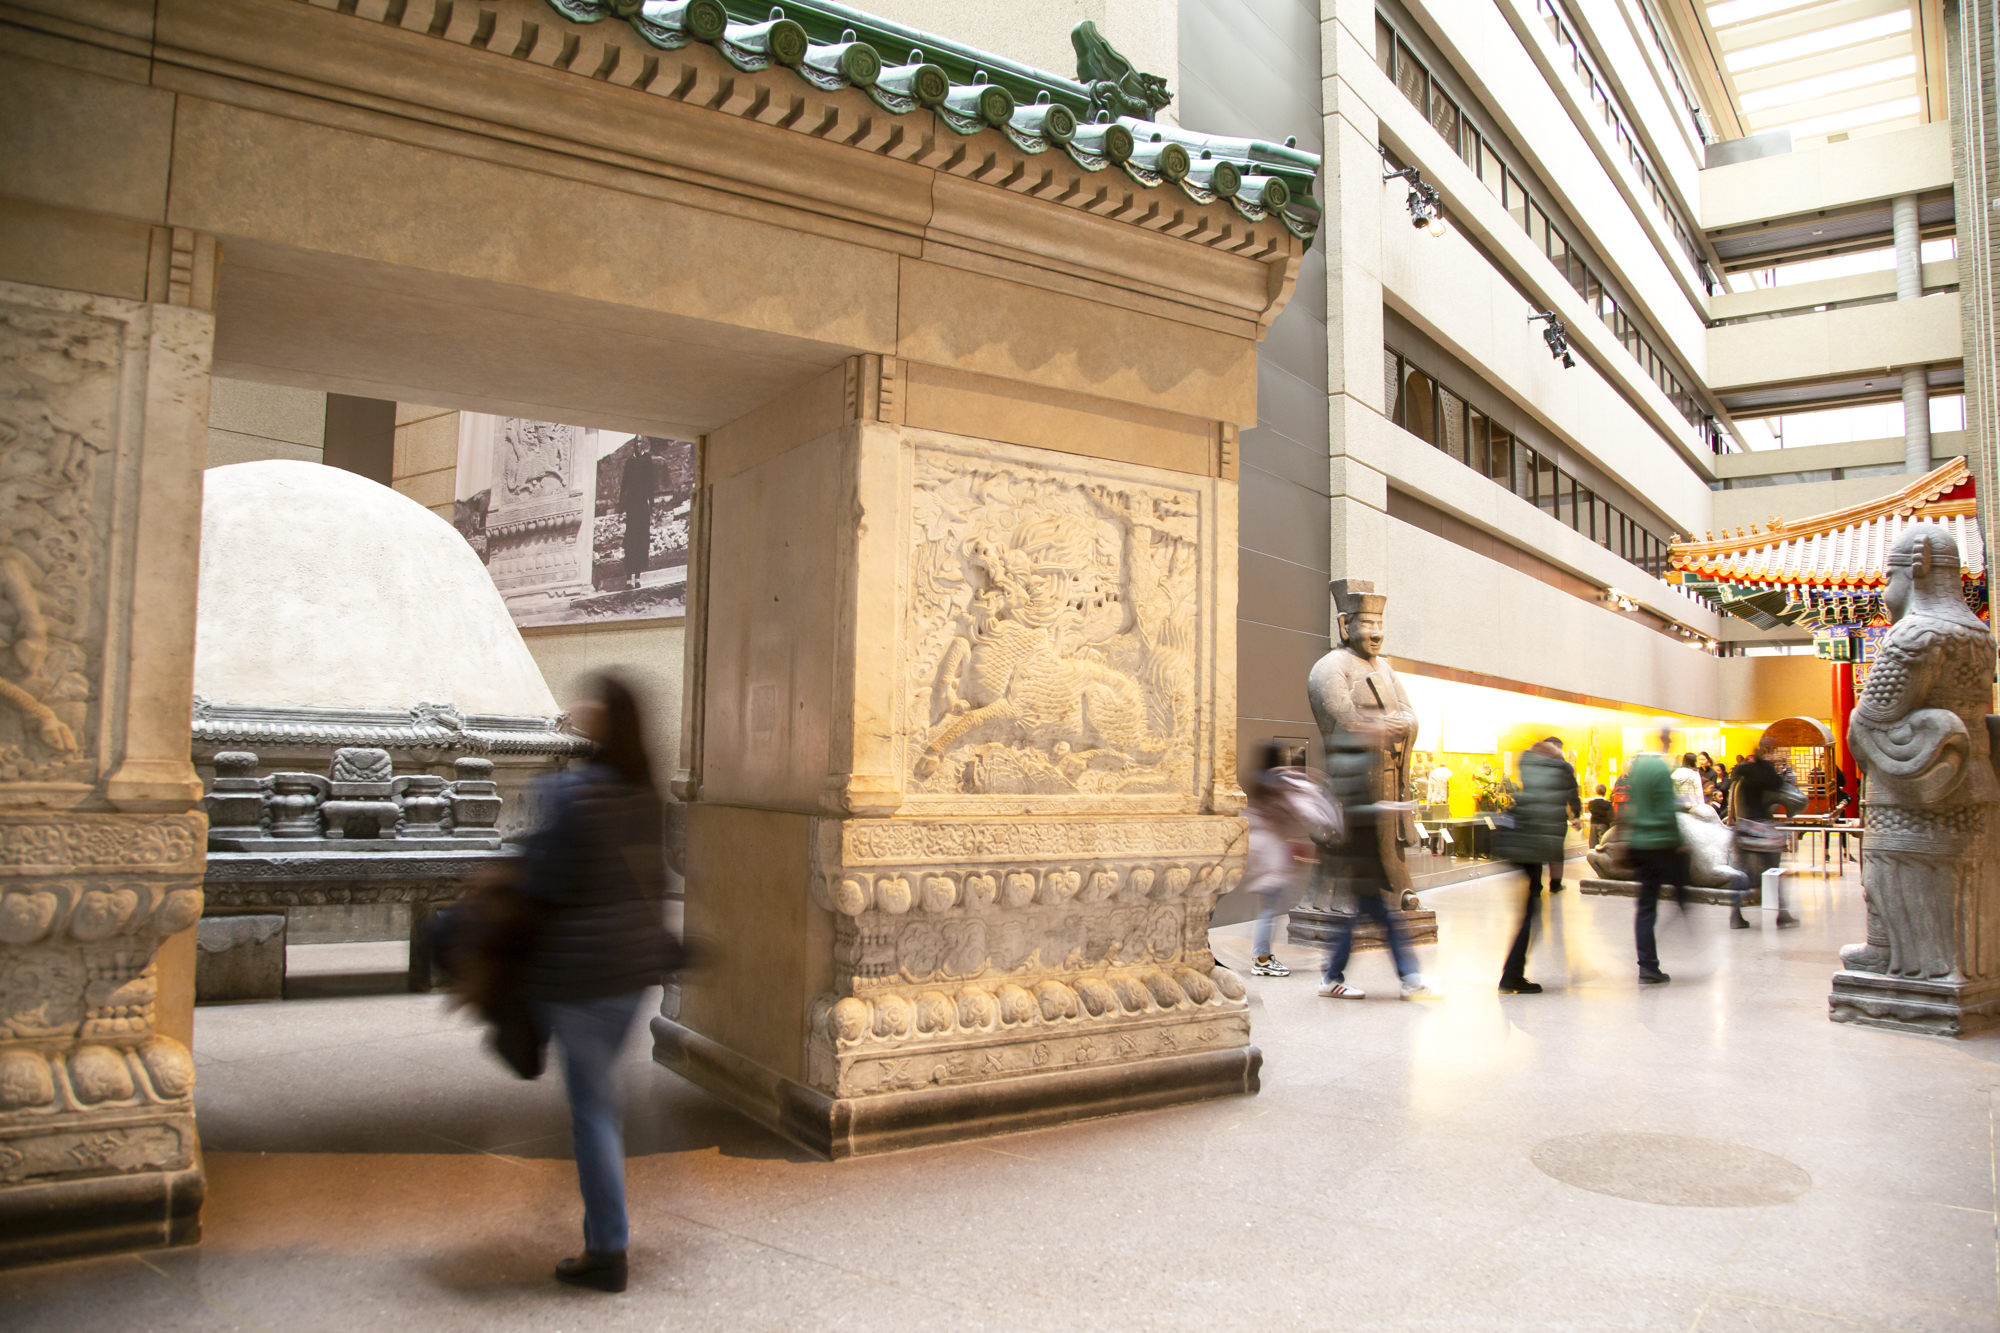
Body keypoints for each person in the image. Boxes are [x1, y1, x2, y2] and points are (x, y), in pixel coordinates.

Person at [519, 674, 678, 1293]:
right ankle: (608, 1232)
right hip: (630, 972)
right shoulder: (646, 796)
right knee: (601, 1098)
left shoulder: (573, 792)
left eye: (591, 699)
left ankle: (608, 1248)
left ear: (606, 719)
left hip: (582, 974)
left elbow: (546, 883)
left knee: (592, 1111)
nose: (578, 705)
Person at [1316, 721, 1441, 1001]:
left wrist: (1388, 807)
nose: (1381, 731)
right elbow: (1354, 812)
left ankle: (1333, 976)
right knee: (1383, 922)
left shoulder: (1354, 761)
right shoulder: (1352, 763)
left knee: (1368, 921)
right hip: (1362, 862)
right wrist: (1385, 807)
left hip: (1362, 861)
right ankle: (1408, 979)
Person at [1243, 740, 1341, 977]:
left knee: (1268, 906)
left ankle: (1262, 955)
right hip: (1271, 852)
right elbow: (1306, 810)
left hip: (1258, 849)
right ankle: (1263, 959)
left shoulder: (1258, 781)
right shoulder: (1280, 781)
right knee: (1269, 908)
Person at [1493, 737, 1576, 993]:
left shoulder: (1529, 768)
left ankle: (1513, 974)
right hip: (1533, 848)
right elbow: (1551, 814)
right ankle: (1512, 976)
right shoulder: (1558, 771)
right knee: (1530, 914)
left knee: (1530, 911)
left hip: (1523, 848)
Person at [1623, 732, 1683, 985]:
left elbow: (1631, 808)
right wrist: (1678, 842)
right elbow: (1667, 810)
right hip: (1660, 844)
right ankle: (1684, 913)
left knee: (1645, 907)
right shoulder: (1660, 769)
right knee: (1673, 894)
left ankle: (1647, 964)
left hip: (1640, 843)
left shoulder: (1637, 772)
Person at [1731, 743, 1798, 928]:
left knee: (1741, 872)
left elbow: (1734, 779)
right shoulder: (1768, 773)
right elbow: (1783, 790)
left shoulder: (1744, 772)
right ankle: (1782, 913)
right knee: (1774, 870)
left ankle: (1735, 914)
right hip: (1761, 827)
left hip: (1743, 826)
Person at [618, 442, 657, 590]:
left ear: (643, 445)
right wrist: (621, 506)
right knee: (630, 541)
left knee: (641, 541)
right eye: (636, 443)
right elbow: (624, 485)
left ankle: (638, 577)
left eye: (640, 443)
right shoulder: (629, 462)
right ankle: (629, 578)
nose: (638, 446)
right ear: (634, 445)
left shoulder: (647, 460)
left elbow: (651, 483)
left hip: (642, 506)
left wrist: (652, 504)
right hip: (631, 507)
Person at [1587, 784, 1614, 849]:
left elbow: (1590, 810)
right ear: (1605, 792)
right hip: (1603, 824)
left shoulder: (1591, 803)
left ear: (1596, 791)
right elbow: (1611, 815)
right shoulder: (1608, 804)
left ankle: (1593, 856)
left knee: (1593, 842)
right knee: (1603, 842)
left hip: (1593, 823)